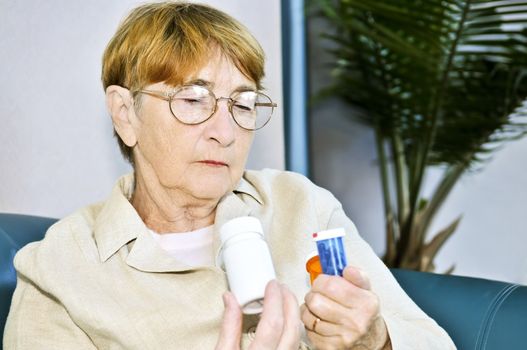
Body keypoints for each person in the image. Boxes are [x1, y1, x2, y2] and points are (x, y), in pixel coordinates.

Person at [3, 2, 456, 349]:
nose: (225, 132)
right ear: (126, 114)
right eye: (193, 99)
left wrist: (374, 340)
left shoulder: (300, 205)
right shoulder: (59, 271)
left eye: (242, 104)